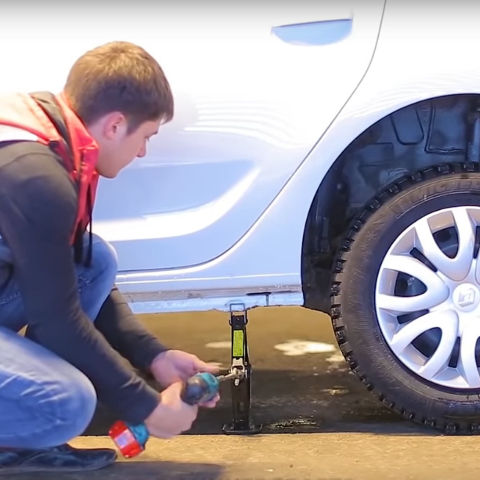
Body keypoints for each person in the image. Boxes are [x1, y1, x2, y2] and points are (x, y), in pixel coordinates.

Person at [0, 41, 219, 475]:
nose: (143, 152)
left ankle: (13, 435)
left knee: (93, 260)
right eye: (146, 137)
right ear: (116, 125)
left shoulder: (46, 135)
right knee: (65, 403)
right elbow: (57, 320)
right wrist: (148, 408)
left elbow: (63, 281)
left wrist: (153, 356)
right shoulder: (34, 176)